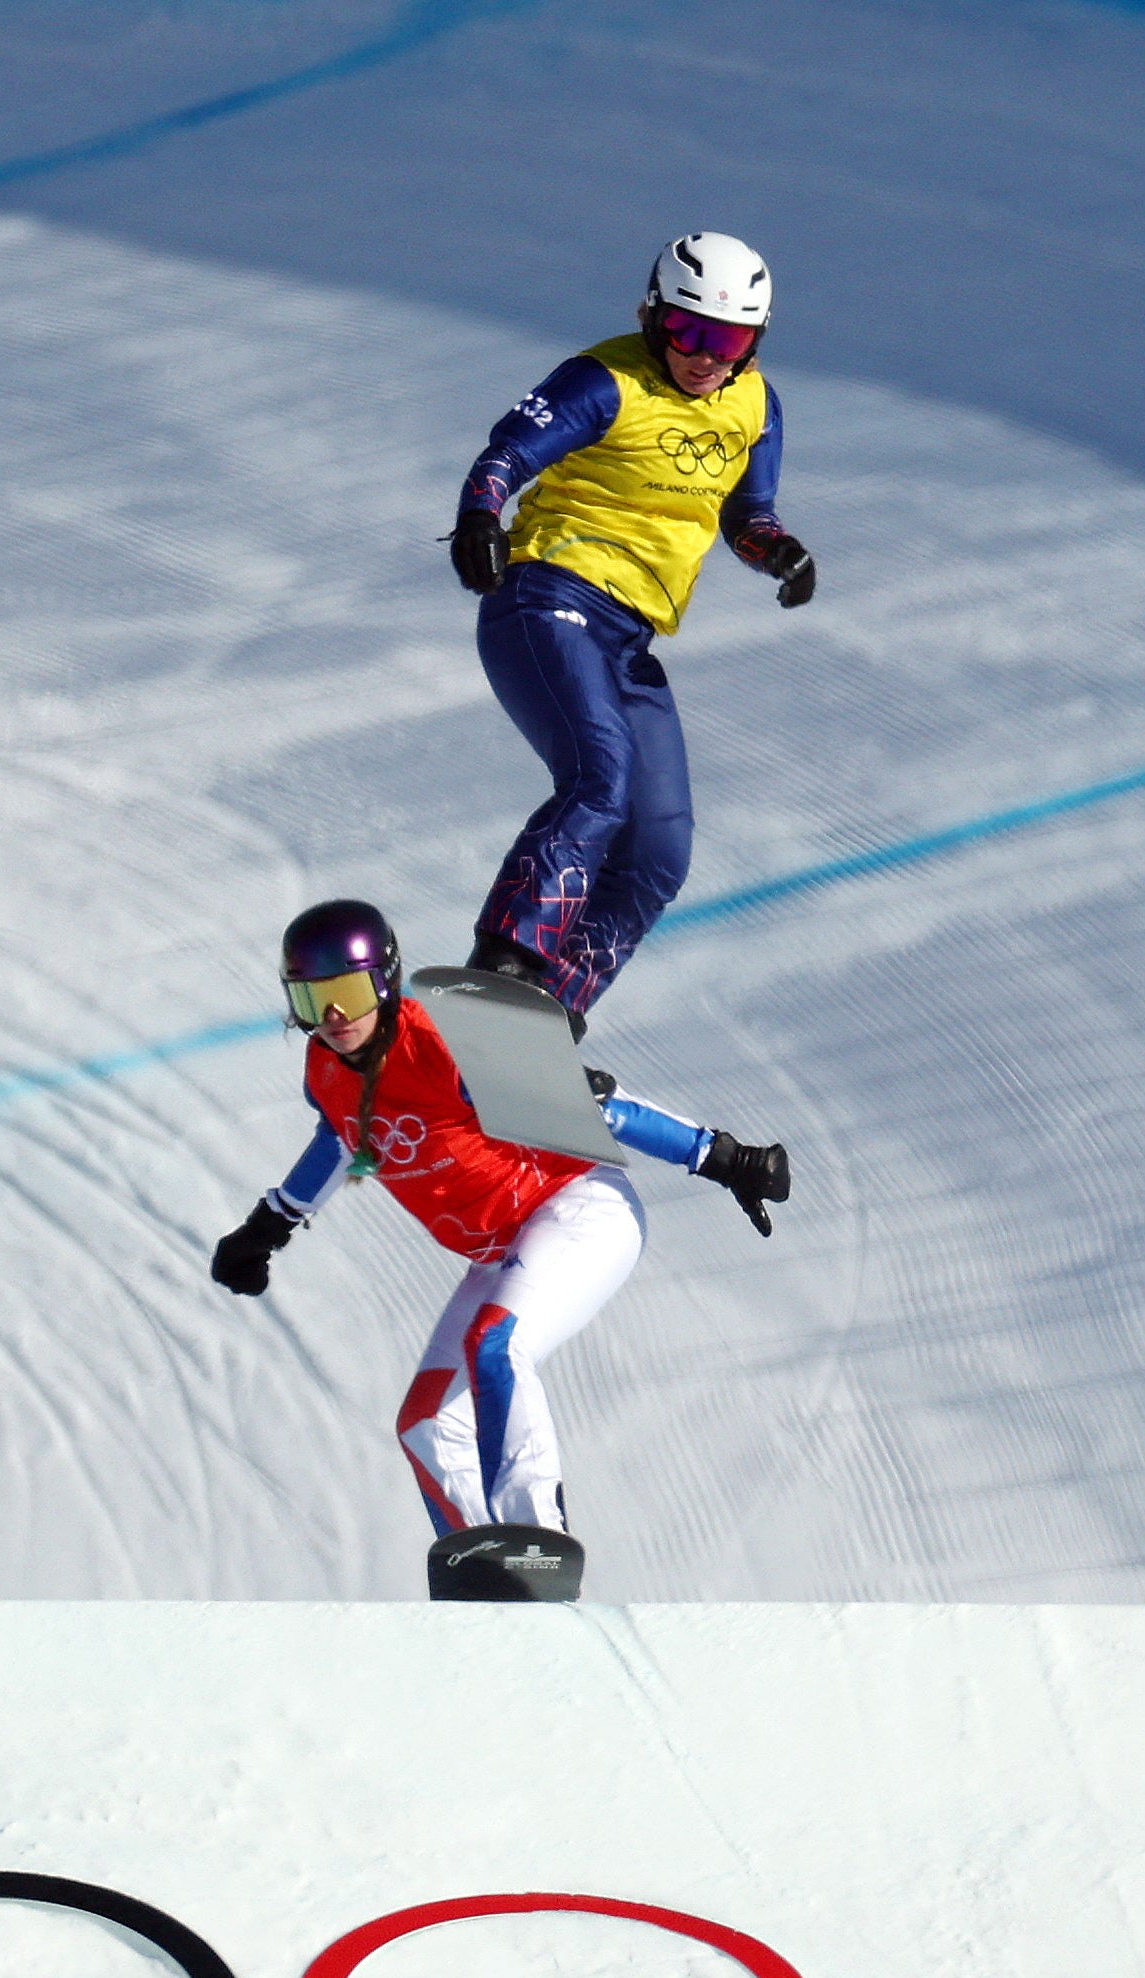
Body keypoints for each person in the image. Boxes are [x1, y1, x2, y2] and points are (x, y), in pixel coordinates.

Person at [206, 899, 791, 1599]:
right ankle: (483, 1569)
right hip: (502, 1247)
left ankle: (536, 1535)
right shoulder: (324, 1069)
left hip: (577, 1210)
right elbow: (337, 1139)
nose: (334, 1017)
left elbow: (592, 1104)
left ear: (385, 983)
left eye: (349, 992)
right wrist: (266, 1227)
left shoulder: (440, 1049)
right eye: (313, 999)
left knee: (495, 1343)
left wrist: (721, 1157)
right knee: (424, 1422)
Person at [450, 232, 817, 1024]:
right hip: (549, 596)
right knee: (598, 778)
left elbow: (746, 514)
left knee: (660, 846)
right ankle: (507, 958)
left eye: (730, 341)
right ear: (651, 316)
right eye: (688, 333)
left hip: (626, 638)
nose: (705, 358)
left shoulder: (753, 406)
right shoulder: (607, 378)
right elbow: (506, 454)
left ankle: (553, 1008)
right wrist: (479, 515)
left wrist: (778, 552)